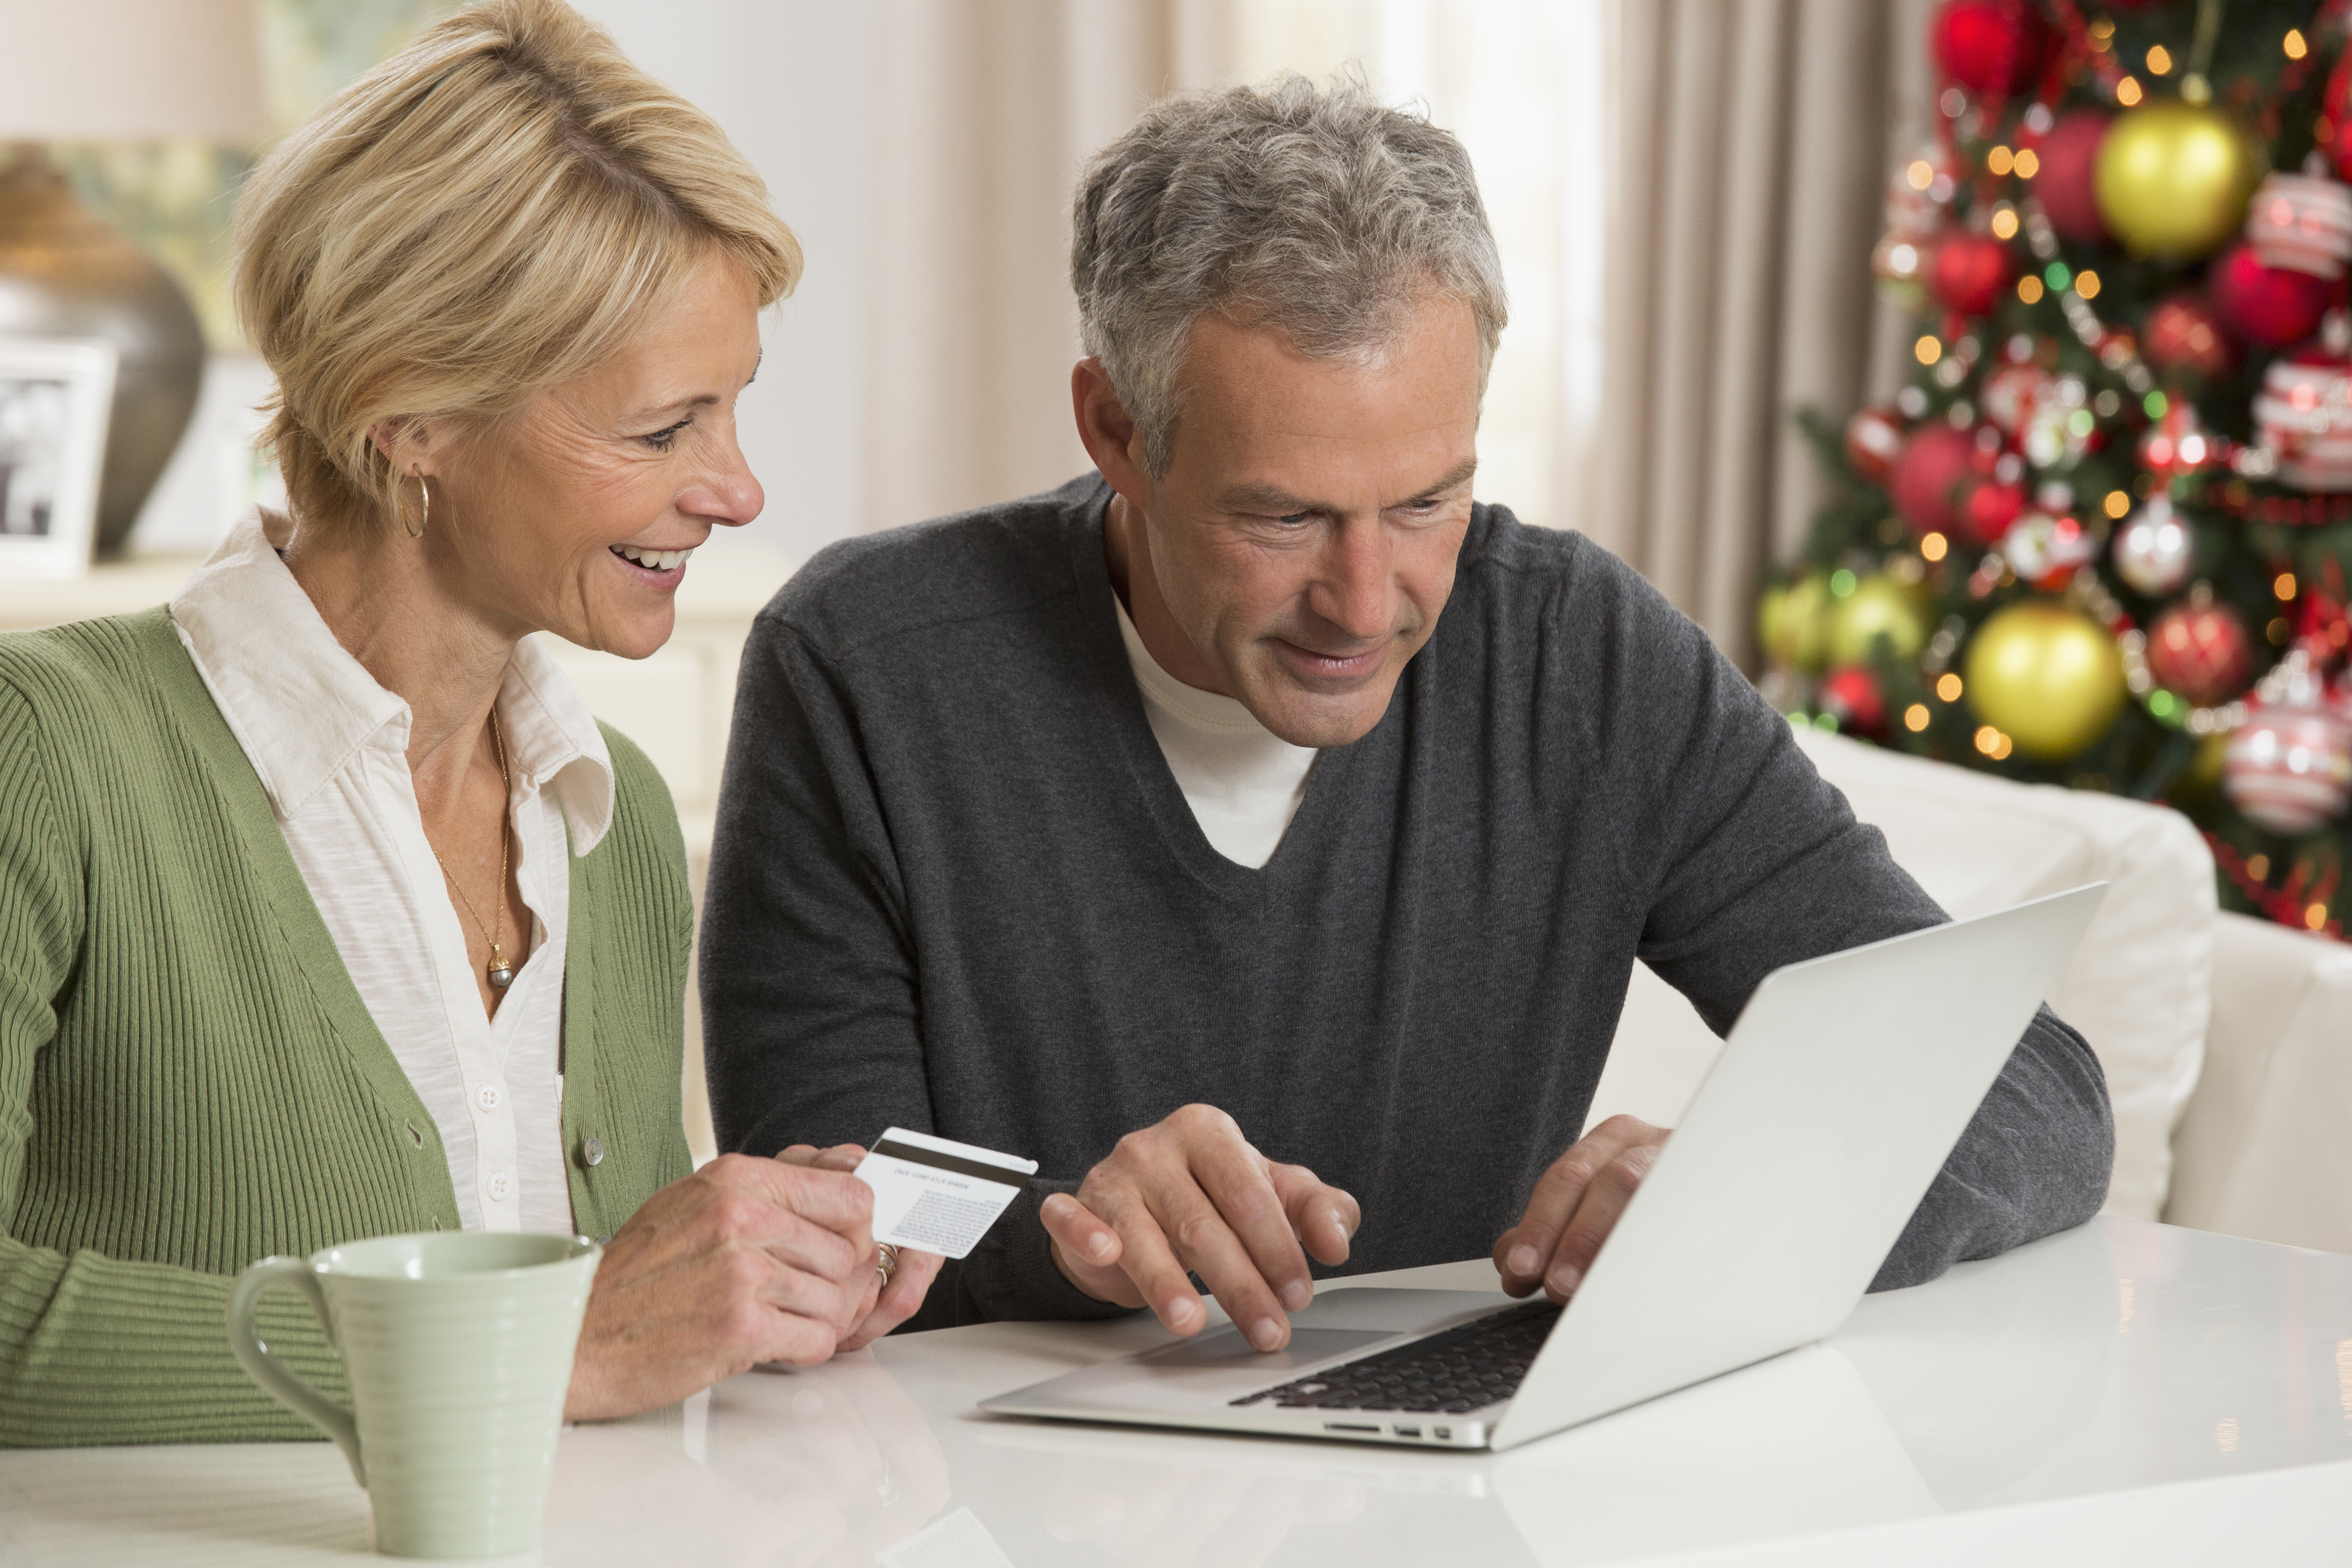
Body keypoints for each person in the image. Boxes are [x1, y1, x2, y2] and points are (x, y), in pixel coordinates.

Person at [700, 76, 2115, 1347]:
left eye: (1429, 500)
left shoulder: (1579, 661)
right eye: (1284, 516)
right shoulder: (869, 668)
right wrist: (1083, 1229)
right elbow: (810, 1218)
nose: (1366, 601)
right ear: (1117, 431)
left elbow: (2039, 1091)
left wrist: (1773, 1181)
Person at [0, 0, 936, 1447]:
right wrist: (542, 1342)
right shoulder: (48, 757)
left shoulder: (600, 813)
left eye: (733, 410)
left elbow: (601, 1370)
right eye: (659, 429)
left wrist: (751, 1290)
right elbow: (561, 1353)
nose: (739, 490)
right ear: (411, 421)